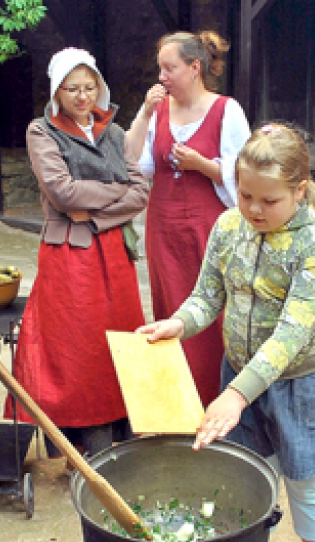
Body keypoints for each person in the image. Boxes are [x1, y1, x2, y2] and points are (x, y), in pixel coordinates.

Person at [139, 124, 315, 542]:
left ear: (300, 190)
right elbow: (208, 296)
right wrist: (179, 322)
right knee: (251, 478)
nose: (254, 209)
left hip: (303, 383)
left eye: (269, 200)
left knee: (305, 482)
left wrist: (235, 394)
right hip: (240, 378)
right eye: (245, 194)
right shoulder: (229, 227)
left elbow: (291, 336)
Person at [4, 48, 149, 456]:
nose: (82, 97)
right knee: (74, 345)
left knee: (117, 340)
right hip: (70, 254)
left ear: (99, 87)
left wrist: (93, 209)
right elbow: (62, 192)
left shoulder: (116, 134)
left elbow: (140, 192)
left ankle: (118, 427)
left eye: (89, 87)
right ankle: (76, 437)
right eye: (73, 89)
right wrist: (112, 195)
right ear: (57, 91)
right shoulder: (42, 132)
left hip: (116, 252)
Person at [124, 31, 251, 407]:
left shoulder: (227, 110)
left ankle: (217, 401)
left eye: (170, 68)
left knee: (213, 311)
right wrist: (145, 113)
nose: (162, 76)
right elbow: (135, 162)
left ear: (195, 68)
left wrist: (204, 166)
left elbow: (247, 174)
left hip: (210, 229)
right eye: (160, 68)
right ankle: (178, 405)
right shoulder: (159, 111)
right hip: (164, 230)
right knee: (171, 309)